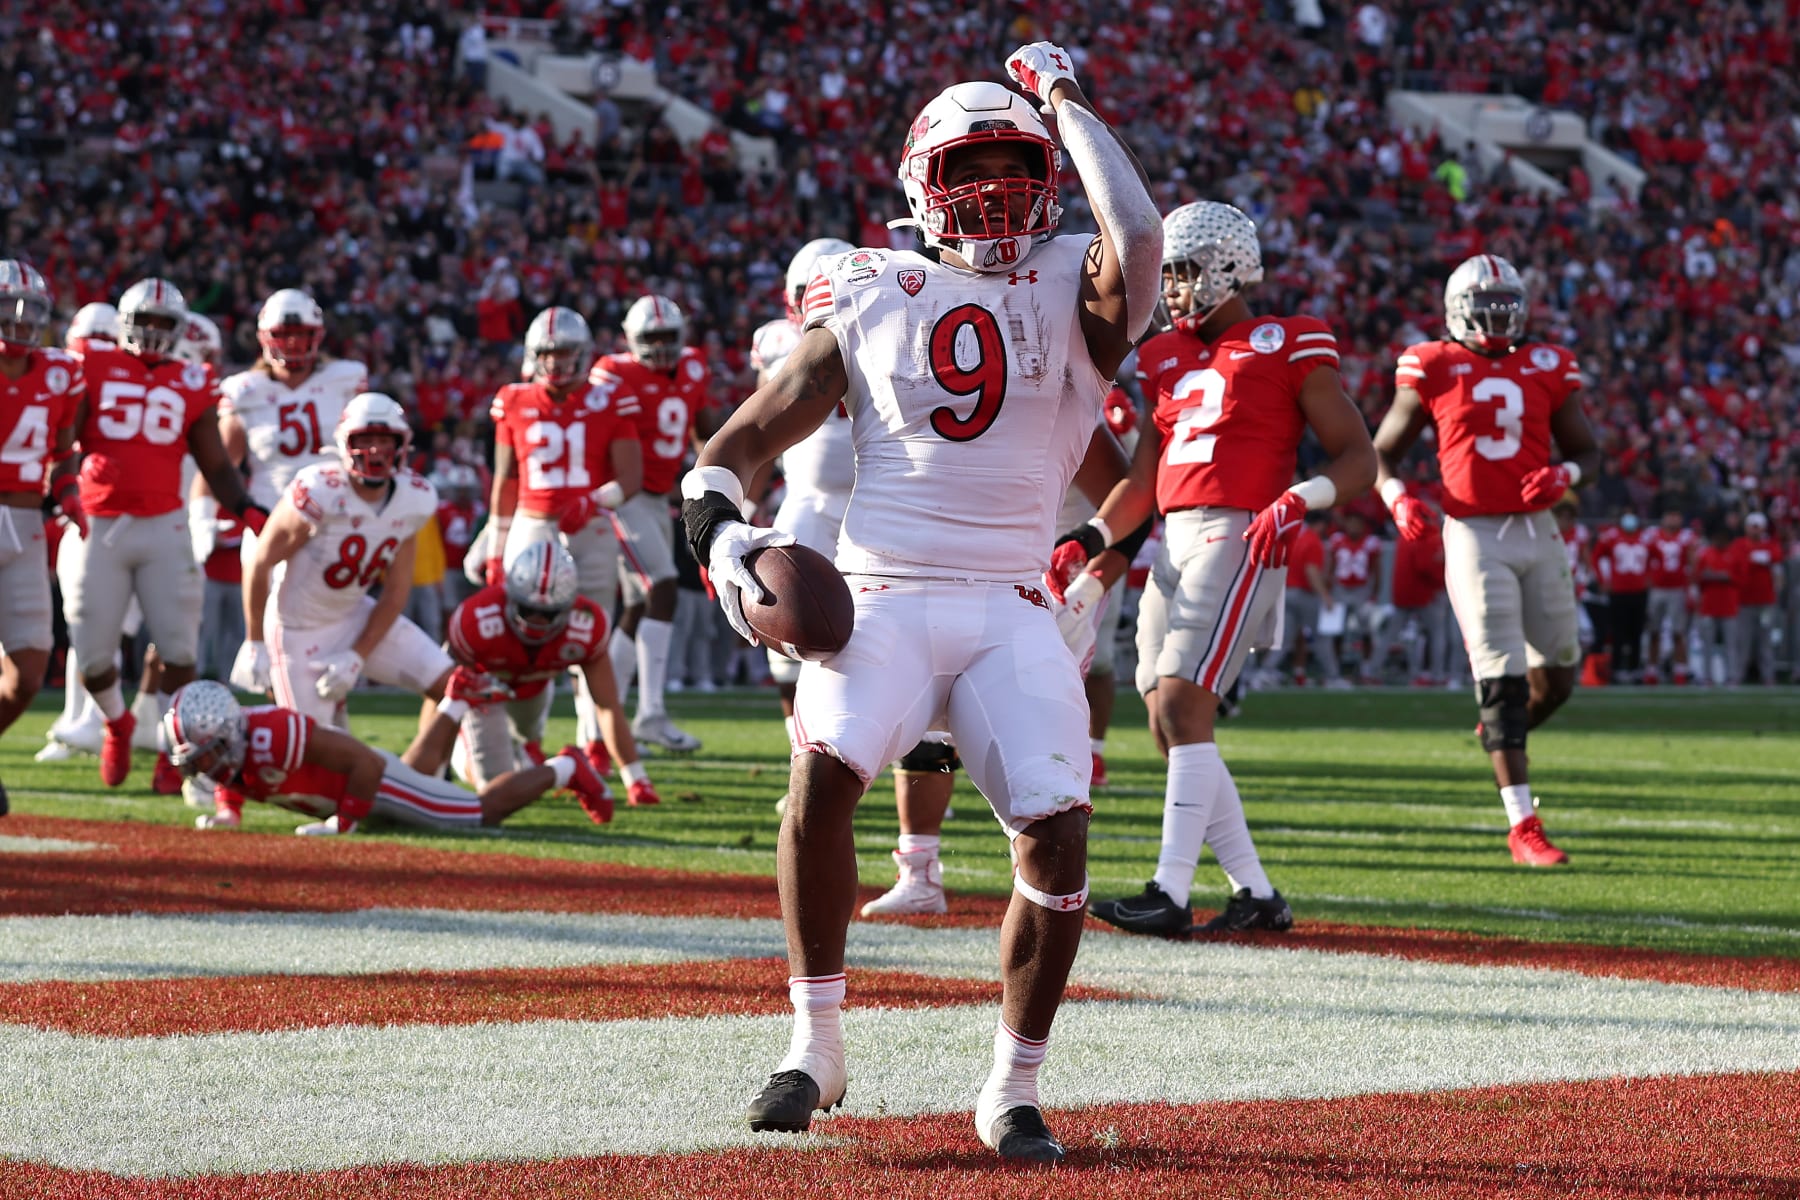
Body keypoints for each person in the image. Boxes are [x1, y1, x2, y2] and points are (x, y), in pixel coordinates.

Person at [680, 45, 1163, 1162]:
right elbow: (740, 441)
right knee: (823, 774)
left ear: (1053, 172)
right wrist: (726, 543)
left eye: (1016, 163)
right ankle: (815, 1043)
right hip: (883, 595)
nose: (994, 188)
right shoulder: (866, 285)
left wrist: (1064, 99)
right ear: (916, 186)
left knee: (1060, 834)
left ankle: (1012, 1087)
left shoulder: (1076, 280)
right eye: (968, 166)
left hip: (1008, 600)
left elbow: (1137, 237)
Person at [1066, 201, 1375, 937]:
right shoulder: (1167, 358)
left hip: (1242, 531)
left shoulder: (1286, 342)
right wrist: (1090, 534)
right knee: (1167, 721)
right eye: (1165, 273)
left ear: (1229, 266)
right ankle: (1256, 896)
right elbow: (1144, 479)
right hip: (1173, 537)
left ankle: (1169, 894)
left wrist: (1301, 498)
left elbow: (1358, 456)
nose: (1171, 288)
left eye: (1183, 271)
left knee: (1181, 704)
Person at [1372, 252, 1599, 867]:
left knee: (1558, 677)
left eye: (1508, 309)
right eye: (1486, 308)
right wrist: (1397, 500)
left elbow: (1588, 450)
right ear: (1457, 312)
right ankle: (1523, 824)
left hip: (1538, 528)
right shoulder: (1433, 363)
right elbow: (1383, 453)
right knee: (1499, 678)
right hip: (1472, 534)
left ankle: (1499, 731)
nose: (1498, 321)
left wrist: (1565, 474)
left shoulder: (1549, 363)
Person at [54, 277, 268, 790]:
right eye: (143, 322)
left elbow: (213, 459)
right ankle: (116, 723)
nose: (151, 332)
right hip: (99, 521)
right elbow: (66, 429)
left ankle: (175, 753)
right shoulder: (93, 363)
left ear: (178, 330)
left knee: (178, 648)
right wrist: (62, 481)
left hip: (164, 525)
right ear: (124, 324)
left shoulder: (193, 379)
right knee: (92, 650)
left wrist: (245, 508)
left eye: (161, 323)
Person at [488, 306, 645, 775]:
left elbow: (631, 476)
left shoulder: (609, 398)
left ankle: (592, 744)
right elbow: (505, 481)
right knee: (522, 643)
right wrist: (496, 550)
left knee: (589, 639)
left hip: (589, 528)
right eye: (547, 354)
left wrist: (597, 500)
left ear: (584, 353)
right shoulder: (512, 399)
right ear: (532, 356)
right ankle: (526, 741)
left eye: (564, 353)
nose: (555, 363)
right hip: (531, 525)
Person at [232, 393, 452, 726]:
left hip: (353, 614)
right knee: (313, 749)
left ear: (403, 444)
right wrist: (255, 641)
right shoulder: (320, 488)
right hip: (297, 628)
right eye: (366, 439)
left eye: (384, 439)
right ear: (344, 442)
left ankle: (425, 770)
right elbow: (260, 561)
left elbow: (395, 593)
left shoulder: (415, 497)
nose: (376, 450)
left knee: (454, 687)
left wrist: (356, 656)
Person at [165, 675, 610, 834]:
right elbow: (238, 775)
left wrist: (346, 820)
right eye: (196, 761)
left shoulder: (272, 734)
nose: (205, 768)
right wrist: (229, 811)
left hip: (367, 780)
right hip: (363, 785)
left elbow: (369, 765)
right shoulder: (239, 747)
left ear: (230, 734)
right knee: (414, 776)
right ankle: (454, 701)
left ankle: (567, 767)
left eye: (206, 756)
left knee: (476, 813)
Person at [753, 238, 855, 807]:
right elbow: (759, 433)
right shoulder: (776, 343)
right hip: (808, 503)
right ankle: (804, 759)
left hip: (874, 504)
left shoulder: (881, 325)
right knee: (789, 636)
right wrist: (738, 514)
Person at [445, 540, 660, 810]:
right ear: (510, 596)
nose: (536, 620)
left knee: (520, 757)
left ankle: (531, 753)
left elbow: (607, 706)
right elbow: (440, 694)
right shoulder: (476, 619)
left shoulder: (586, 624)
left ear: (568, 605)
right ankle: (556, 767)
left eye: (548, 613)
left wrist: (636, 778)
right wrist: (434, 767)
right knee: (494, 787)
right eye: (528, 609)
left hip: (534, 693)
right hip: (485, 696)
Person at [589, 295, 708, 754]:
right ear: (629, 339)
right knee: (662, 585)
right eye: (650, 339)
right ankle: (650, 713)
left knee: (638, 604)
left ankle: (611, 716)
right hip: (623, 495)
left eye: (667, 338)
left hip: (659, 497)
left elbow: (703, 427)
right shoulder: (613, 373)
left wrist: (713, 474)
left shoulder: (694, 367)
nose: (660, 347)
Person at [0, 262, 82, 811]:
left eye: (31, 309)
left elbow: (64, 448)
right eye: (10, 307)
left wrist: (70, 492)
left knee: (29, 672)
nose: (22, 320)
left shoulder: (61, 372)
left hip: (27, 523)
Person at [1593, 512, 1650, 684]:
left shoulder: (1645, 538)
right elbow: (1596, 557)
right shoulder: (1611, 537)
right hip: (1618, 591)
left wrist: (1650, 578)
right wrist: (1603, 580)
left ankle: (1634, 669)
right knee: (1618, 632)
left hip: (1639, 591)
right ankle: (1617, 669)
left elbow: (1658, 559)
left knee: (1636, 632)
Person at [1644, 508, 1697, 684]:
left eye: (1676, 516)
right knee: (1653, 631)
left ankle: (1680, 669)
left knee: (1678, 632)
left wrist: (1691, 588)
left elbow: (1692, 562)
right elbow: (1644, 558)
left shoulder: (1686, 537)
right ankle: (1652, 669)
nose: (1673, 519)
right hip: (1657, 589)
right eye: (1670, 515)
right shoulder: (1653, 534)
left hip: (1677, 589)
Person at [1731, 513, 1781, 685]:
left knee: (1765, 641)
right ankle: (1738, 675)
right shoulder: (1739, 544)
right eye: (1752, 526)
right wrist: (1758, 558)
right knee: (1742, 641)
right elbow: (1738, 561)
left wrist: (1758, 557)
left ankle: (1768, 676)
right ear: (1746, 527)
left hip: (1765, 601)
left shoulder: (1770, 544)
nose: (1755, 529)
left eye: (1758, 526)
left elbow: (1775, 556)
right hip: (1744, 601)